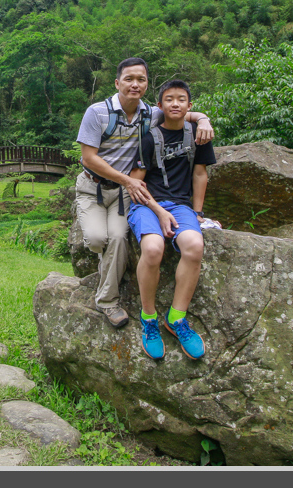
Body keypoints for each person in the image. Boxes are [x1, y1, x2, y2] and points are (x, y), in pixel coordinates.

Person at [75, 57, 213, 329]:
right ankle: (107, 283)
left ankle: (107, 302)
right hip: (94, 188)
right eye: (129, 79)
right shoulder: (96, 112)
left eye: (141, 80)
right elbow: (89, 158)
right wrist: (128, 180)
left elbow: (181, 111)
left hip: (127, 194)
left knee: (117, 238)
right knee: (96, 239)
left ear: (147, 85)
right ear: (117, 83)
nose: (135, 84)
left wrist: (204, 119)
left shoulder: (151, 113)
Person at [127, 79, 216, 360]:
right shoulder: (149, 137)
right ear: (159, 106)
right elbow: (135, 183)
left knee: (194, 245)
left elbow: (200, 174)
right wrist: (158, 211)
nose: (175, 104)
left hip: (180, 206)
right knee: (153, 248)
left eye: (181, 99)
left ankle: (176, 318)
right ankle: (149, 317)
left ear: (190, 106)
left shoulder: (198, 135)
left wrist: (198, 213)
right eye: (168, 99)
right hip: (146, 204)